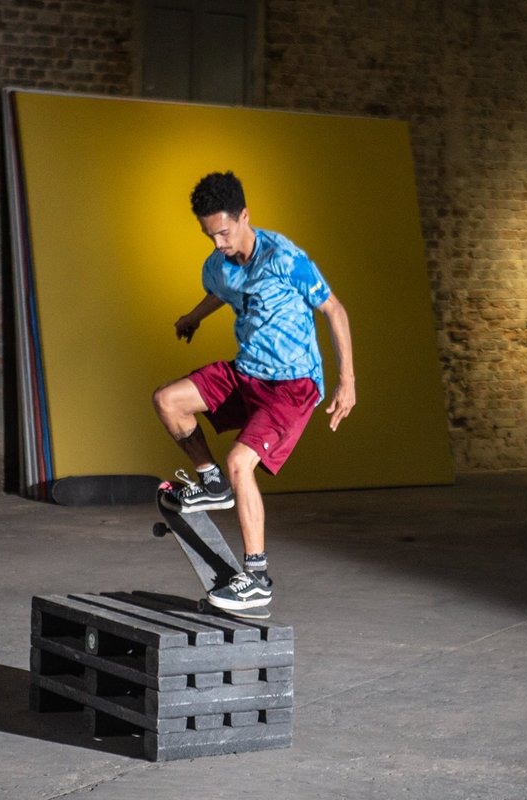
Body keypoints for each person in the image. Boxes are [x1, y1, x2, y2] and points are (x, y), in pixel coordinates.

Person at [152, 171, 356, 614]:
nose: (219, 244)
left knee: (241, 462)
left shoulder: (286, 259)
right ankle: (210, 483)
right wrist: (194, 316)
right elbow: (221, 292)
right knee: (168, 400)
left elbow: (334, 310)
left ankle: (257, 577)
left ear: (244, 216)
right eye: (210, 236)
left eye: (224, 232)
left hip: (292, 386)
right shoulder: (217, 264)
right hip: (247, 373)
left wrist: (348, 381)